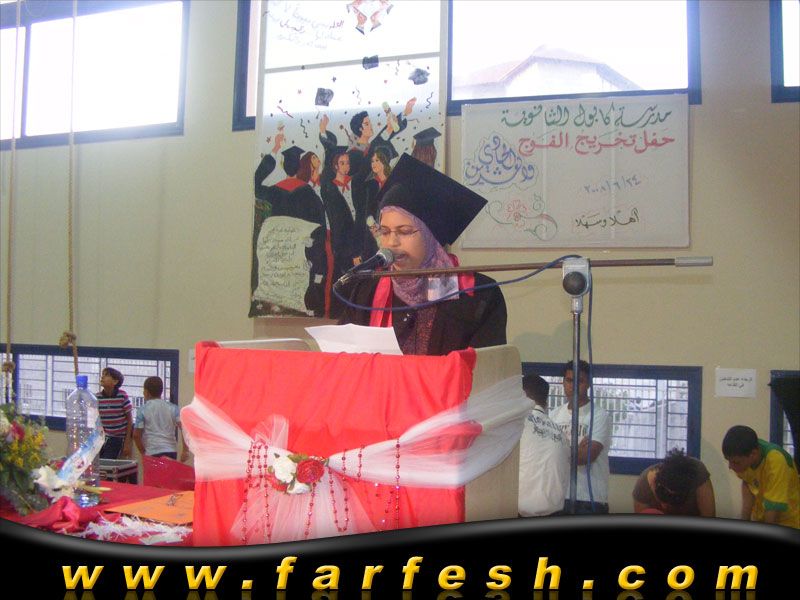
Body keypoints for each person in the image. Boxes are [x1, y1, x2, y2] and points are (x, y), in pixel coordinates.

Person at [338, 153, 507, 356]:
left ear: (431, 237)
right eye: (385, 232)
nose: (391, 242)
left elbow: (485, 369)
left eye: (405, 231)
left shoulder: (477, 295)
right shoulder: (365, 291)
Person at [549, 359, 611, 514]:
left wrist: (557, 451)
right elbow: (546, 455)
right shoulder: (554, 415)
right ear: (563, 382)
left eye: (580, 381)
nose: (573, 386)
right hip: (558, 496)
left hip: (589, 499)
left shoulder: (599, 416)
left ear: (589, 383)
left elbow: (585, 457)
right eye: (569, 380)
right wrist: (575, 449)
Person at [722, 425, 799, 528]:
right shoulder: (745, 454)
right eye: (728, 461)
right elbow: (748, 484)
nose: (730, 467)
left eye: (735, 462)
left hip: (789, 525)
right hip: (761, 520)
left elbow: (773, 509)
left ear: (753, 454)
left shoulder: (776, 461)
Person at [518, 374, 569, 517]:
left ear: (521, 395)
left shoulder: (518, 425)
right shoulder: (560, 433)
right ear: (546, 401)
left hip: (521, 513)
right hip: (555, 514)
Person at [632, 448, 716, 516]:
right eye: (664, 498)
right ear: (655, 483)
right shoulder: (643, 486)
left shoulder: (698, 473)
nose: (665, 507)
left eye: (674, 501)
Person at [133, 376, 188, 461]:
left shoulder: (142, 410)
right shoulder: (173, 408)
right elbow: (185, 429)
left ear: (146, 392)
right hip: (171, 450)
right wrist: (185, 450)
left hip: (152, 450)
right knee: (168, 470)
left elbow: (136, 435)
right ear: (161, 391)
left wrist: (143, 452)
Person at [97, 367, 133, 460]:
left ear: (115, 381)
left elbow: (130, 419)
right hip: (101, 437)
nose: (102, 377)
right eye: (102, 375)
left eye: (106, 375)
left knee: (107, 462)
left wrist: (127, 442)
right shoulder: (98, 397)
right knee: (96, 462)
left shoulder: (122, 396)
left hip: (117, 438)